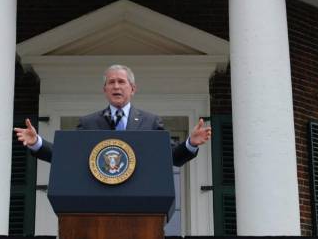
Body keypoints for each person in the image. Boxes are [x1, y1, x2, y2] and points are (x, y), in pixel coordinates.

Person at [14, 64, 210, 167]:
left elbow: (170, 158)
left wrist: (190, 143)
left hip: (141, 203)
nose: (116, 86)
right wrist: (37, 142)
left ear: (132, 89)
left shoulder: (150, 122)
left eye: (121, 82)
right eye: (111, 82)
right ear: (105, 90)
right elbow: (68, 156)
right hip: (97, 202)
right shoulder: (89, 123)